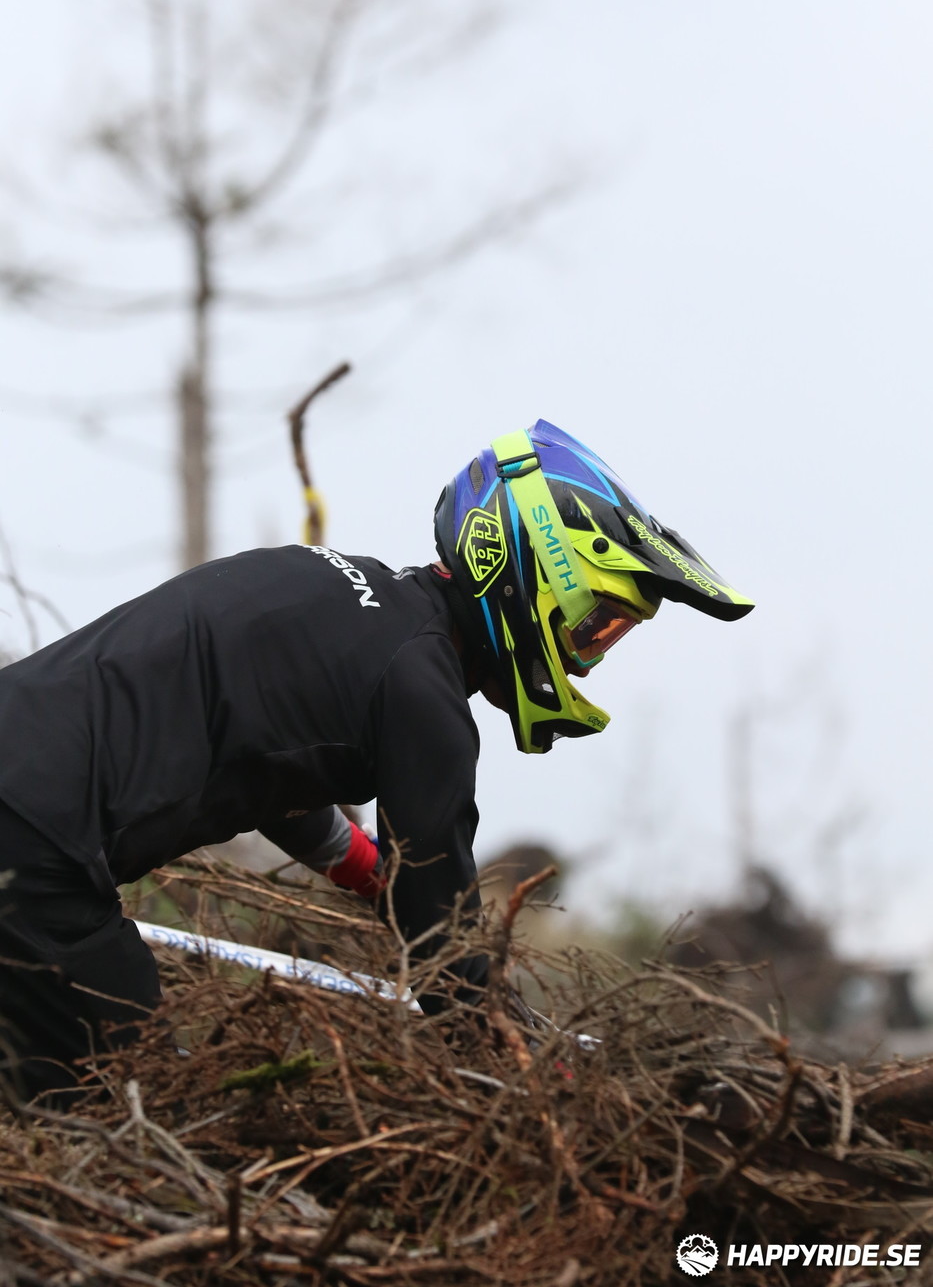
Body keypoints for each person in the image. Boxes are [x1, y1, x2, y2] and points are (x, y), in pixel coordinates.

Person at [0, 420, 753, 1098]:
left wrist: (359, 864)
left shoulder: (338, 589)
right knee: (140, 1102)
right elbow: (445, 956)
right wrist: (549, 1080)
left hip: (23, 796)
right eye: (595, 625)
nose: (588, 657)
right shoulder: (423, 698)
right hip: (36, 852)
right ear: (530, 574)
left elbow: (269, 757)